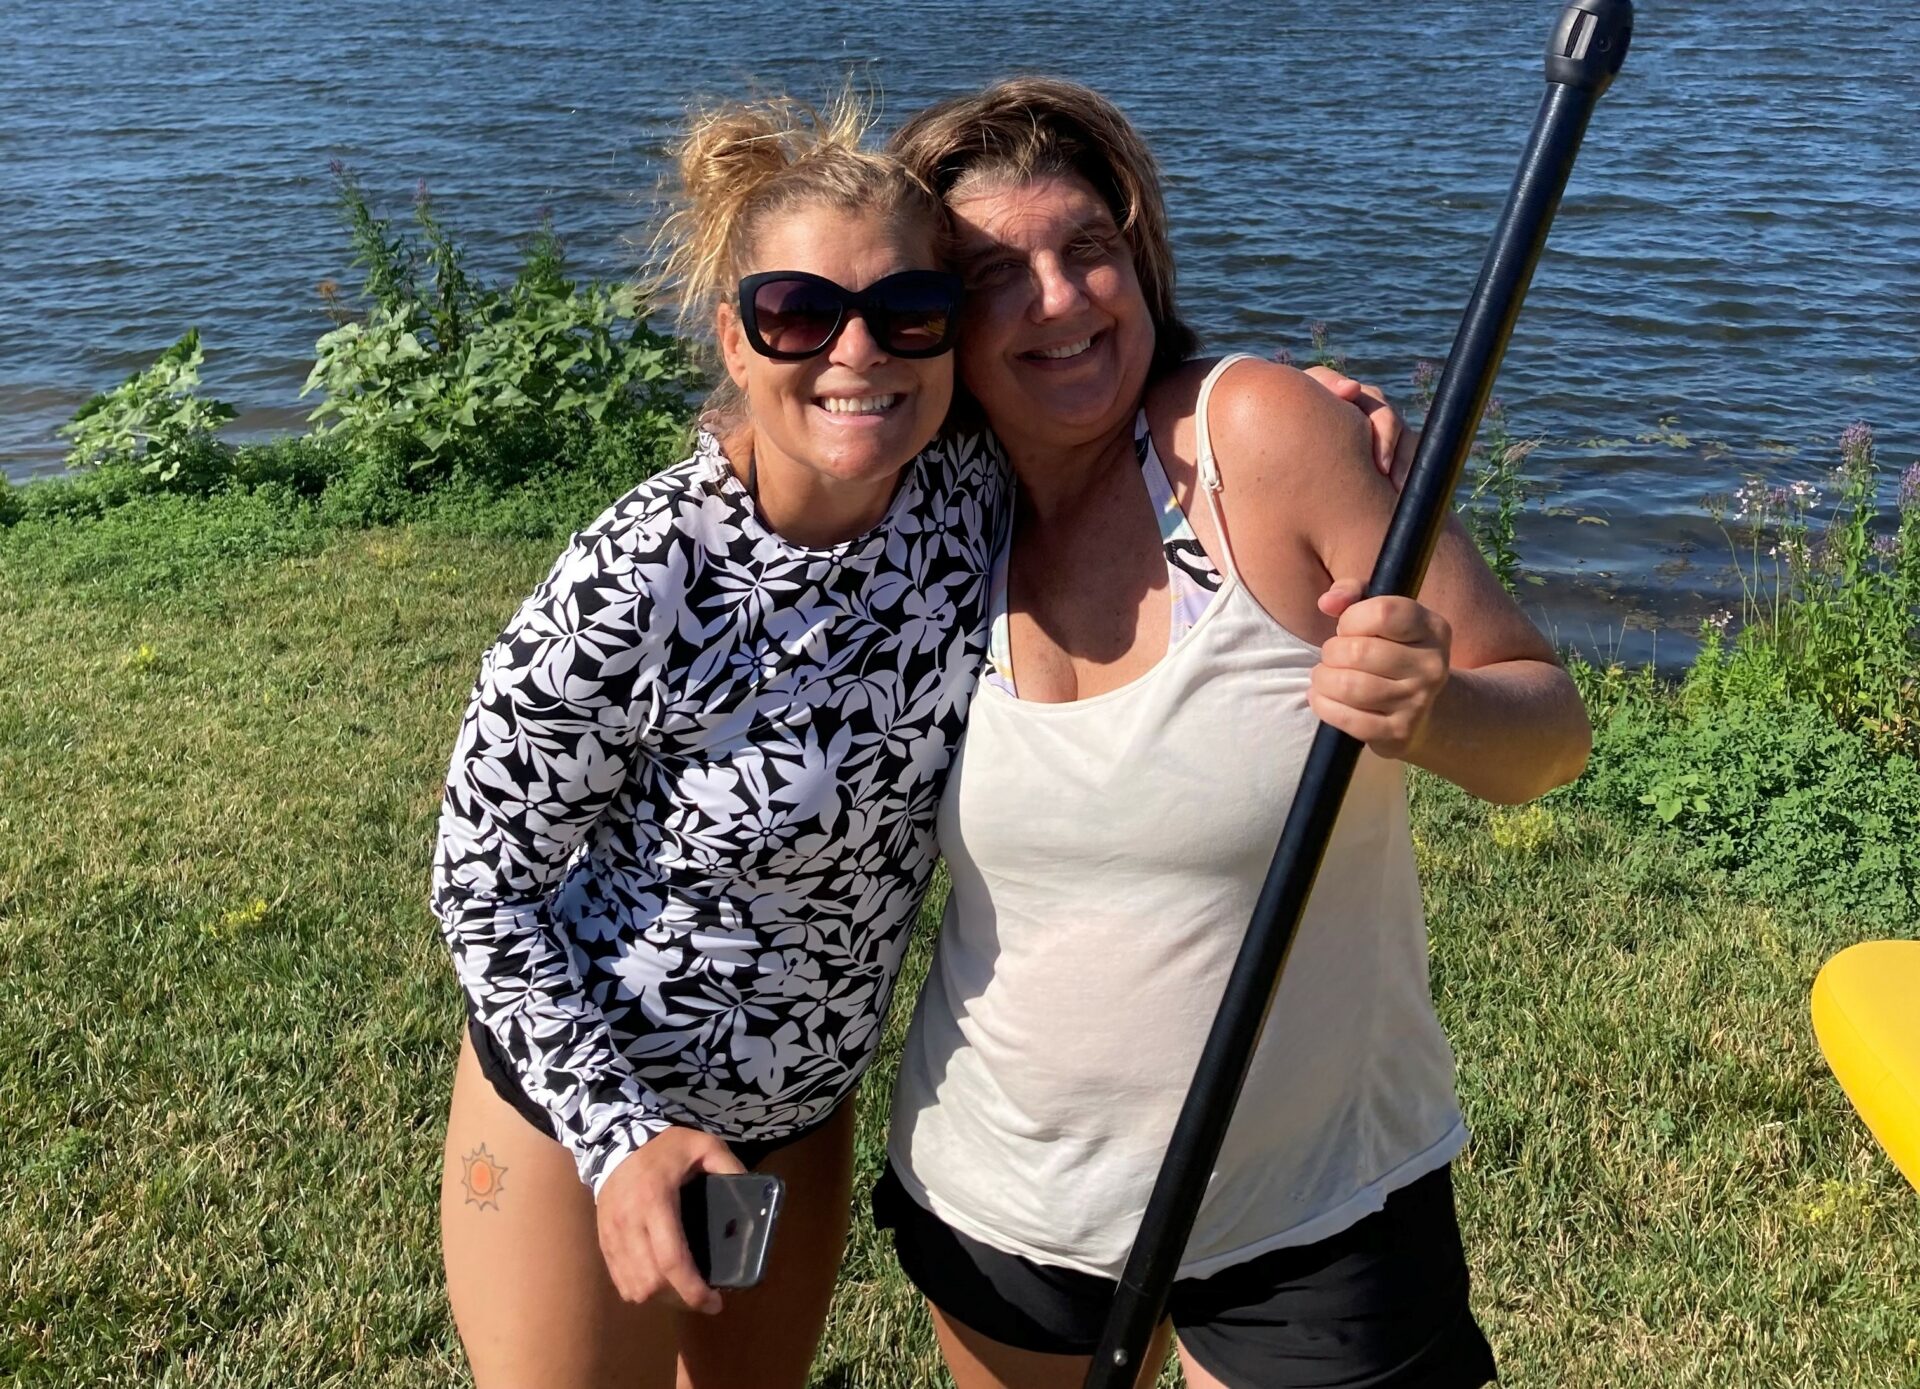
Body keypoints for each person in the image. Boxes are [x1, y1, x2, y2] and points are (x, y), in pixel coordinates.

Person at [874, 78, 1594, 1389]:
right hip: (998, 1199)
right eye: (998, 275)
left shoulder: (1254, 439)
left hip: (1307, 1212)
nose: (1064, 298)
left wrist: (1438, 708)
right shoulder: (925, 518)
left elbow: (1549, 726)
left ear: (1138, 258)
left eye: (1089, 249)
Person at [428, 92, 1004, 1388]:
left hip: (796, 1118)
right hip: (586, 1117)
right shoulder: (638, 579)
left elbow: (1122, 411)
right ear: (736, 343)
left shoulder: (967, 506)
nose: (858, 352)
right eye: (799, 312)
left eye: (910, 311)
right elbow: (480, 879)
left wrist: (1288, 424)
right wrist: (620, 1135)